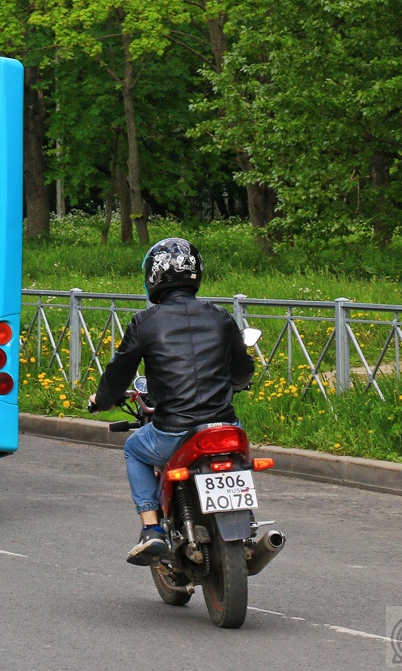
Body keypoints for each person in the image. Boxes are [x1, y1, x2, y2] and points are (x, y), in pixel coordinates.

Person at [88, 237, 254, 566]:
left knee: (134, 448)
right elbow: (243, 368)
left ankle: (151, 530)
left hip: (174, 431)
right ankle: (245, 525)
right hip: (224, 426)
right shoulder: (220, 317)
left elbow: (119, 372)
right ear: (197, 273)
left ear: (152, 277)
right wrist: (237, 383)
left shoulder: (145, 322)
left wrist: (102, 399)